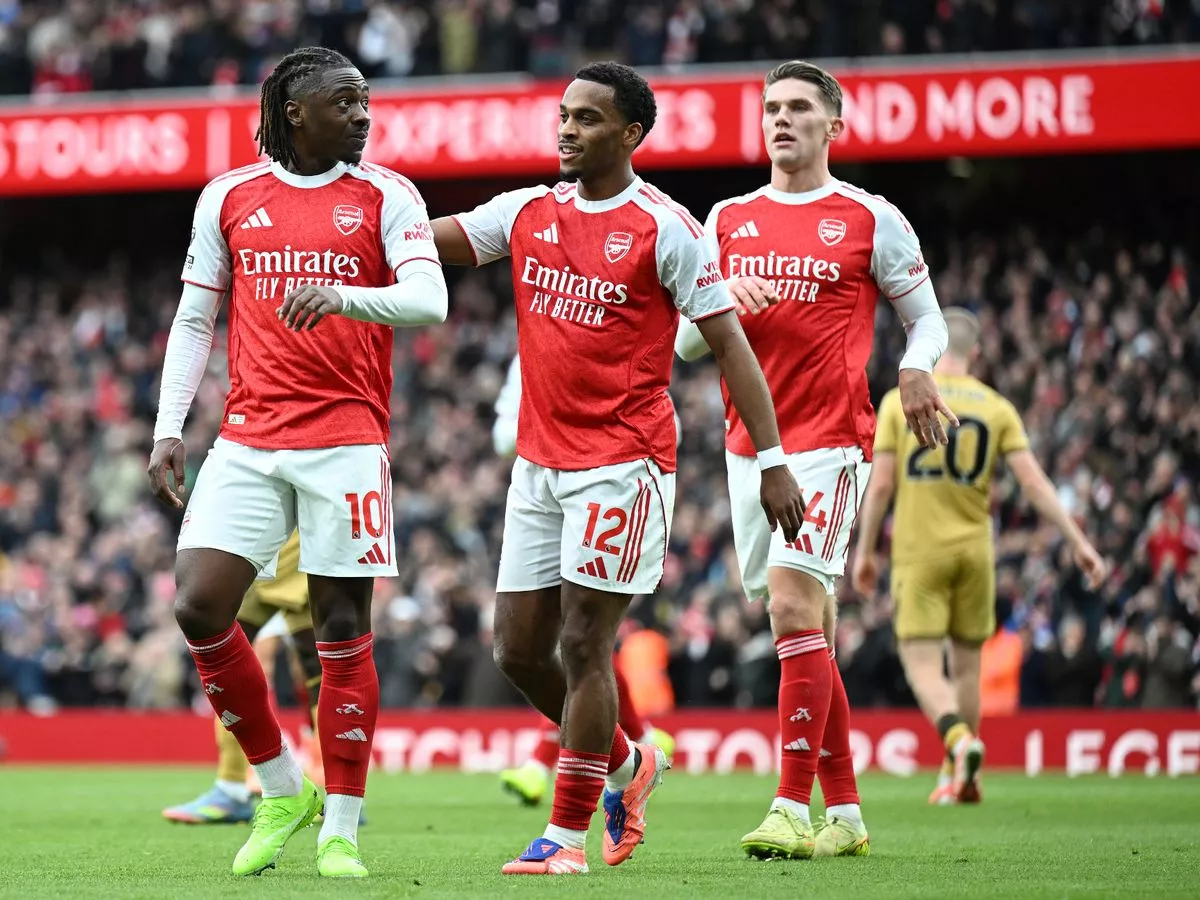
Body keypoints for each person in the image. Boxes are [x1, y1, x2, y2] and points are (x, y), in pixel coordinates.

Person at [431, 61, 804, 875]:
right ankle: (632, 767)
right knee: (515, 650)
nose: (567, 129)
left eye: (588, 119)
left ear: (630, 133)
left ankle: (563, 840)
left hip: (621, 465)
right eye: (564, 115)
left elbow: (730, 343)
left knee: (582, 643)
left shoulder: (666, 227)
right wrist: (357, 216)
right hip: (538, 464)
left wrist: (773, 460)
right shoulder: (528, 211)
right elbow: (442, 240)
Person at [147, 46, 448, 878]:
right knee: (200, 607)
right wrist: (170, 425)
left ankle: (342, 827)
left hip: (347, 440)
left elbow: (431, 299)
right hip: (246, 438)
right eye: (345, 102)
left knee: (340, 634)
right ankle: (281, 788)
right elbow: (194, 319)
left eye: (364, 101)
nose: (362, 114)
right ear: (295, 114)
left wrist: (346, 295)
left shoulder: (388, 194)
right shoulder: (229, 196)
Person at [675, 59, 953, 860]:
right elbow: (688, 344)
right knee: (804, 625)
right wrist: (726, 297)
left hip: (832, 442)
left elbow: (926, 319)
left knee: (795, 608)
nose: (782, 119)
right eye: (771, 108)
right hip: (748, 449)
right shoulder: (725, 218)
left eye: (800, 107)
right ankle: (851, 817)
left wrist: (915, 367)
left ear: (835, 125)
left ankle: (790, 807)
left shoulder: (870, 217)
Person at [852, 307, 1107, 804]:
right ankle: (963, 776)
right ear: (978, 353)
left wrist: (865, 552)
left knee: (923, 665)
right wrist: (1079, 542)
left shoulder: (896, 402)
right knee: (967, 668)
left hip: (920, 552)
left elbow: (880, 484)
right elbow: (1033, 482)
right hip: (976, 551)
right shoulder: (997, 407)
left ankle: (959, 741)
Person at [490, 355, 676, 807]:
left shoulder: (613, 334)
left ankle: (551, 786)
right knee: (546, 649)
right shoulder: (533, 343)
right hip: (544, 477)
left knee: (581, 645)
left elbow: (501, 435)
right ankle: (636, 748)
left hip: (617, 477)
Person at [163, 532, 336, 824]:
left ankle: (233, 789)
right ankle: (338, 797)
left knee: (224, 637)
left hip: (284, 536)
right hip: (286, 536)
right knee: (313, 661)